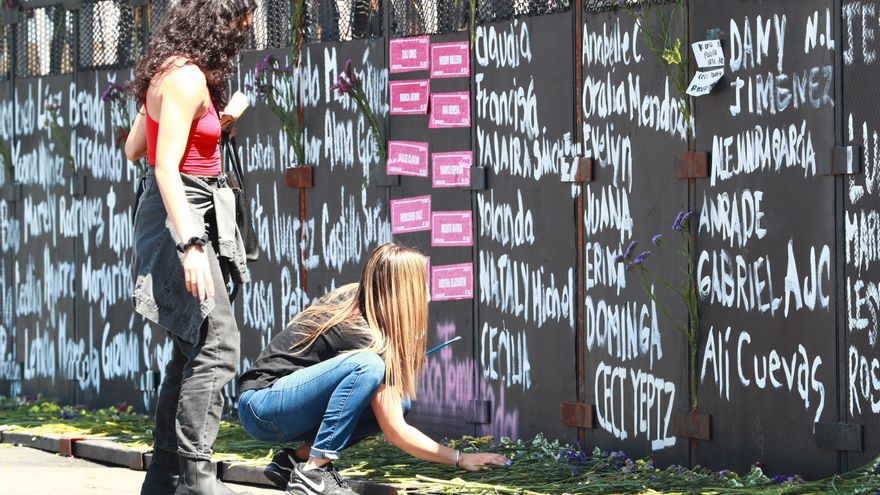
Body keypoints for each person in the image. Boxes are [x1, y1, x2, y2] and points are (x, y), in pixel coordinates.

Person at [237, 243, 509, 495]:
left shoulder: (361, 305)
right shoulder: (365, 336)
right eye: (422, 283)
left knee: (397, 401)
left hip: (275, 410)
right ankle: (315, 471)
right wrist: (460, 459)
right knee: (368, 366)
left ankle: (294, 461)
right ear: (405, 292)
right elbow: (395, 431)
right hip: (262, 406)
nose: (428, 293)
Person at [125, 1, 256, 494]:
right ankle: (198, 478)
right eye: (236, 30)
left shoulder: (169, 72)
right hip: (181, 212)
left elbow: (135, 148)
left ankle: (163, 479)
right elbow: (162, 167)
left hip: (183, 207)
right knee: (219, 346)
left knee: (191, 348)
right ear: (214, 24)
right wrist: (192, 244)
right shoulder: (184, 79)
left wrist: (212, 123)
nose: (237, 41)